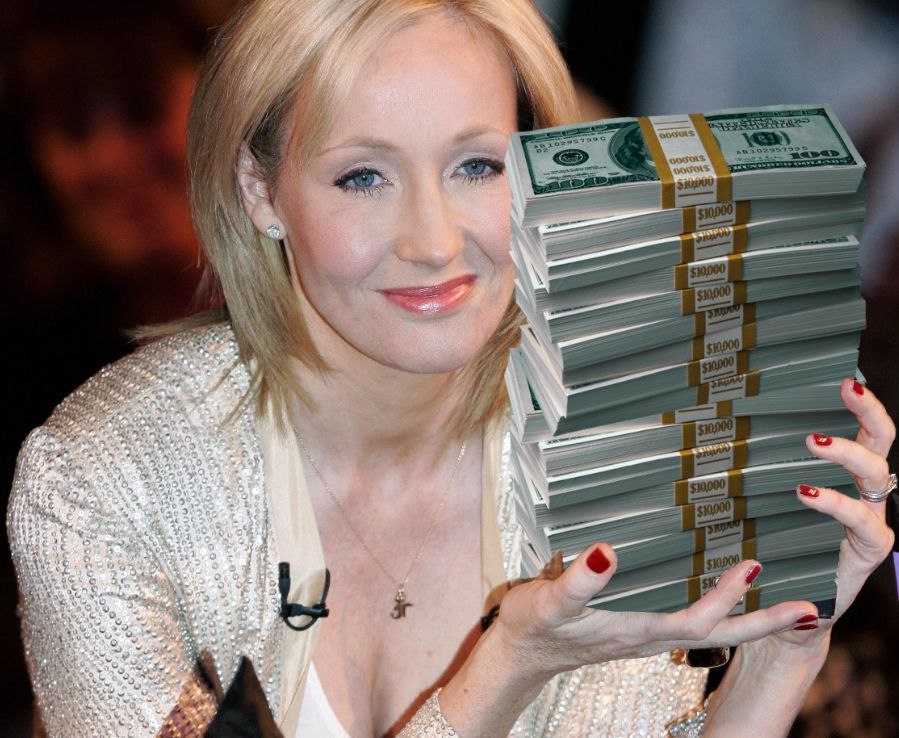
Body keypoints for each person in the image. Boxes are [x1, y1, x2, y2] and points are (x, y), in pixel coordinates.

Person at [6, 1, 895, 736]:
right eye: (363, 177)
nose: (433, 242)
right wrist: (504, 668)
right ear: (259, 190)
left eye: (476, 165)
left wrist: (779, 653)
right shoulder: (102, 481)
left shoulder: (623, 429)